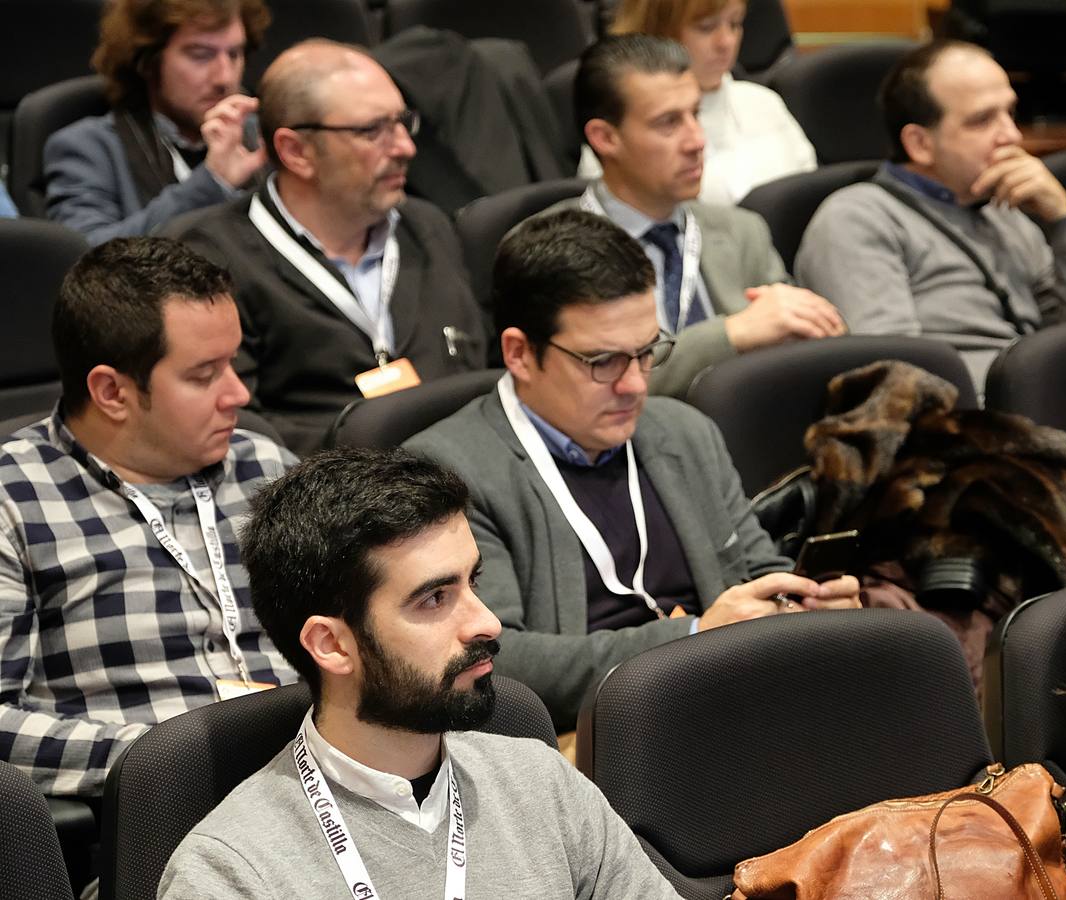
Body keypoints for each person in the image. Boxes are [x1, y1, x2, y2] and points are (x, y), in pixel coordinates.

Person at [404, 209, 860, 730]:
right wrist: (692, 639)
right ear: (520, 354)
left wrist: (802, 605)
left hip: (734, 702)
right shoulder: (448, 472)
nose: (636, 385)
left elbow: (754, 569)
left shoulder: (685, 433)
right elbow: (495, 655)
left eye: (646, 353)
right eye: (603, 362)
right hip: (589, 736)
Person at [158, 447, 682, 899]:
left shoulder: (541, 783)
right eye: (435, 598)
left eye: (472, 582)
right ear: (332, 645)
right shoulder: (230, 875)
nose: (486, 622)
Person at [0, 237, 297, 798]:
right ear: (112, 391)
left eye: (232, 362)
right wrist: (170, 757)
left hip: (318, 786)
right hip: (156, 816)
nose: (237, 393)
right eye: (204, 374)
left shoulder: (268, 468)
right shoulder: (12, 499)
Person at [173, 39, 487, 454]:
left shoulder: (427, 227)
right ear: (296, 151)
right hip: (324, 499)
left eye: (401, 122)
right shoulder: (208, 259)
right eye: (372, 130)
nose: (405, 147)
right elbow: (235, 429)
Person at [794, 40, 1066, 395]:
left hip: (1041, 407)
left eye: (1010, 113)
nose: (1012, 136)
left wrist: (1063, 221)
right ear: (919, 143)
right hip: (963, 429)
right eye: (982, 120)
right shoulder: (857, 219)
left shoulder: (1006, 213)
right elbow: (893, 381)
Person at [553, 34, 845, 398]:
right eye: (668, 123)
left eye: (696, 113)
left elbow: (800, 353)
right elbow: (591, 386)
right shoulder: (554, 251)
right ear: (605, 138)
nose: (696, 141)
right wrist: (731, 334)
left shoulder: (741, 230)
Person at [45, 0, 269, 244]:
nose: (224, 77)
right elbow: (86, 259)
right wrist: (212, 182)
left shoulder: (263, 135)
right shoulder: (88, 148)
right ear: (148, 61)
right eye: (201, 55)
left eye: (234, 54)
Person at [578, 0, 817, 205]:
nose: (726, 42)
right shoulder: (618, 130)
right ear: (658, 29)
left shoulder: (766, 104)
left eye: (734, 24)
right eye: (706, 27)